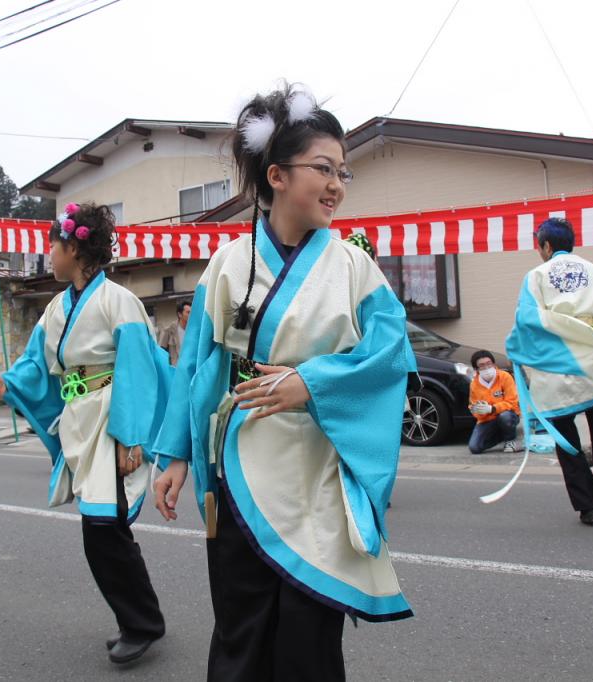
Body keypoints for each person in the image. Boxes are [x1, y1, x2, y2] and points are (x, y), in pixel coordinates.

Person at [152, 85, 415, 682]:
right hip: (243, 460)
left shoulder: (353, 265)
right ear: (275, 175)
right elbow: (196, 365)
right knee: (241, 627)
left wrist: (315, 382)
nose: (337, 184)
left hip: (320, 469)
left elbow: (390, 350)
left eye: (342, 171)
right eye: (323, 168)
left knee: (309, 636)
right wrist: (173, 455)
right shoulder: (226, 264)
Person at [0, 201, 172, 665]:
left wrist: (132, 437)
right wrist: (7, 384)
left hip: (111, 417)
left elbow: (138, 369)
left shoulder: (118, 300)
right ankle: (139, 619)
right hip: (81, 418)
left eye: (54, 245)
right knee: (104, 529)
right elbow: (35, 363)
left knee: (103, 527)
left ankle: (141, 622)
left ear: (73, 247)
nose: (48, 254)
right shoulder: (56, 307)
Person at [505, 217, 593, 528]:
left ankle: (588, 506)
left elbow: (527, 321)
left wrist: (519, 348)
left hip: (555, 369)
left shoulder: (535, 277)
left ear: (546, 246)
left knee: (567, 442)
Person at [467, 350, 521, 454]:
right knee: (474, 448)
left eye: (489, 363)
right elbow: (473, 407)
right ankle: (503, 436)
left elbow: (512, 403)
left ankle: (510, 441)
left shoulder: (505, 376)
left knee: (505, 417)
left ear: (494, 364)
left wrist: (493, 408)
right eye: (481, 365)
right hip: (487, 420)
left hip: (508, 415)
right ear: (476, 369)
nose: (486, 368)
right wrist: (478, 411)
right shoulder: (474, 384)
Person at [158, 299, 191, 366]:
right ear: (180, 314)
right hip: (176, 370)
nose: (191, 315)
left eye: (192, 312)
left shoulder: (195, 331)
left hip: (191, 369)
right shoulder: (169, 331)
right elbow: (160, 352)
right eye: (188, 312)